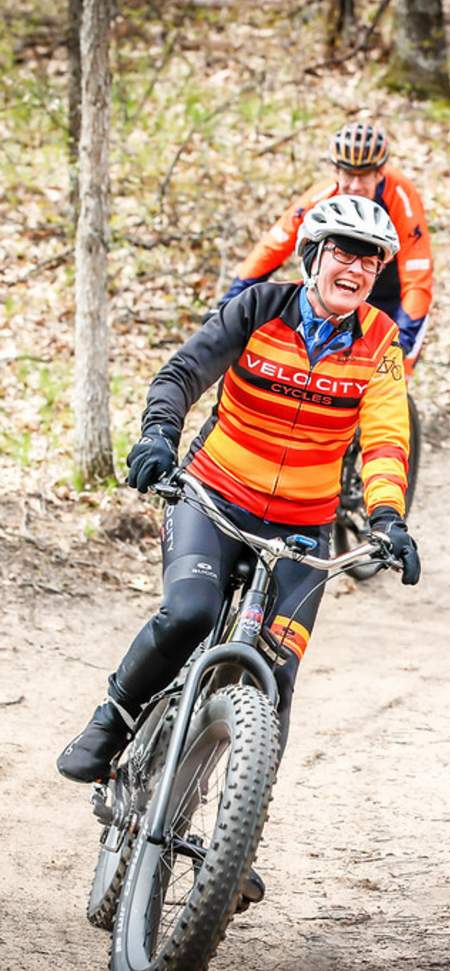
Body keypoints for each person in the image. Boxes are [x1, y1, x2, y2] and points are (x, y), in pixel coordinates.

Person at [57, 194, 421, 794]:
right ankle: (110, 722)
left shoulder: (381, 344)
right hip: (213, 498)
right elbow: (182, 374)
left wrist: (388, 517)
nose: (355, 270)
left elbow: (385, 436)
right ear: (313, 255)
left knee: (277, 678)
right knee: (191, 613)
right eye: (343, 254)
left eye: (371, 262)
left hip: (304, 528)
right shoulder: (259, 307)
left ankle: (241, 827)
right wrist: (157, 437)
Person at [220, 122, 433, 373]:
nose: (354, 185)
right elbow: (274, 244)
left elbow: (418, 274)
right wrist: (229, 301)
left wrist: (404, 338)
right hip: (340, 291)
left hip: (394, 298)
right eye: (347, 174)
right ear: (335, 171)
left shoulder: (401, 196)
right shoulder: (324, 195)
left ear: (379, 173)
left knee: (393, 377)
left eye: (363, 175)